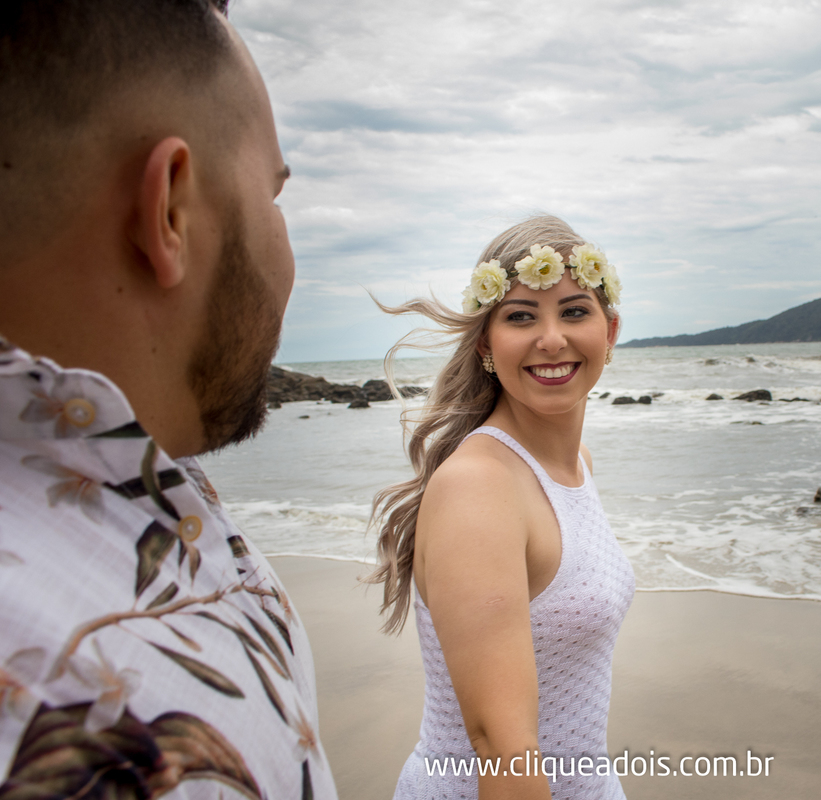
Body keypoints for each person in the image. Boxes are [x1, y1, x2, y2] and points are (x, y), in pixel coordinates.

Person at [0, 1, 336, 797]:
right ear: (171, 209)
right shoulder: (91, 718)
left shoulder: (136, 479)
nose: (289, 252)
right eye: (275, 196)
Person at [371, 216, 636, 799]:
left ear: (610, 330)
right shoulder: (478, 488)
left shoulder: (575, 463)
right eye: (521, 316)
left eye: (573, 311)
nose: (551, 338)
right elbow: (501, 745)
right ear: (485, 342)